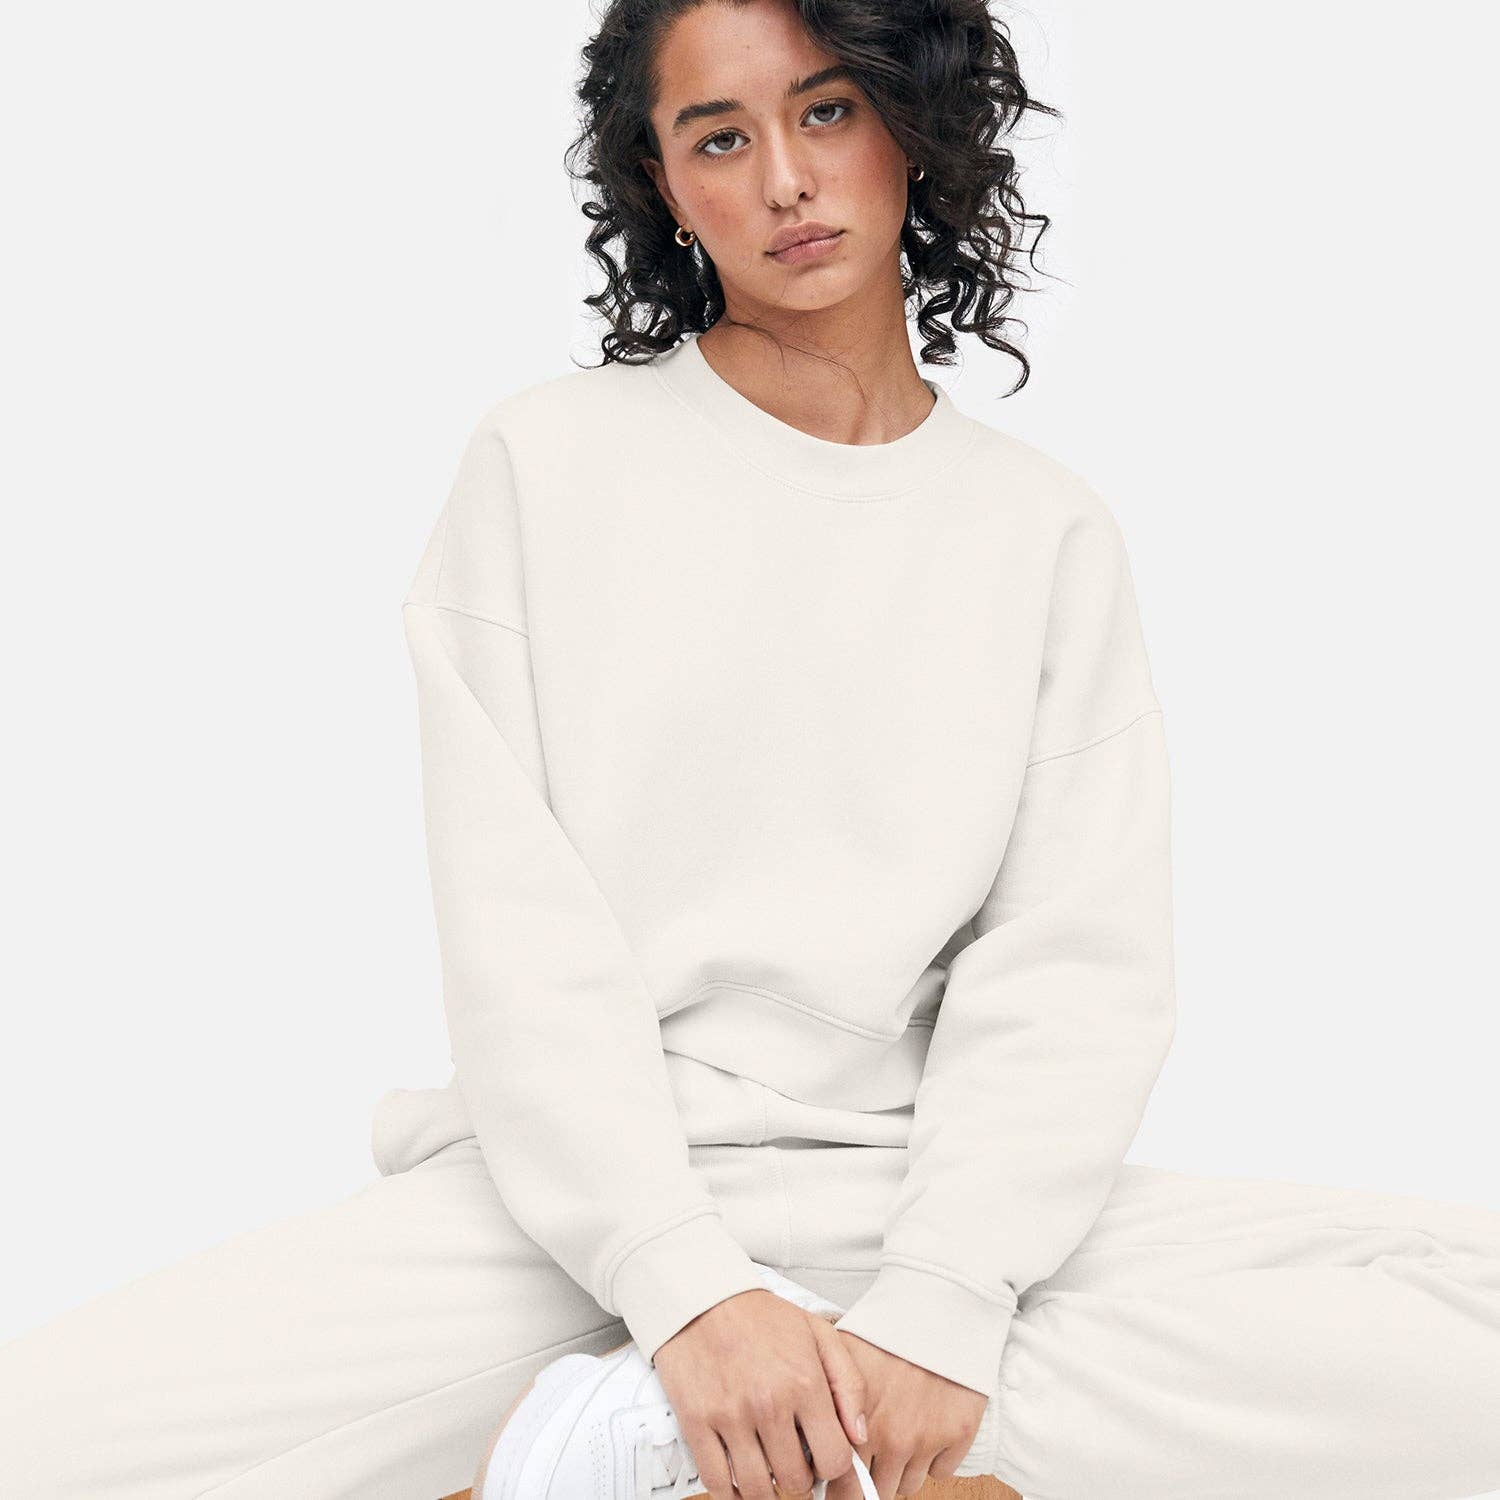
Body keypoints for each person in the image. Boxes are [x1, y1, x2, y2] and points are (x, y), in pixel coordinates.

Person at [4, 2, 1500, 1498]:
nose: (786, 179)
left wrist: (945, 1301)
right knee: (45, 1444)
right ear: (664, 185)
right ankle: (779, 1426)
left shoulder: (1041, 529)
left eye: (828, 111)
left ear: (912, 125)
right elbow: (521, 941)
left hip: (918, 1191)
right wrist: (686, 1290)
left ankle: (693, 1441)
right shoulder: (546, 463)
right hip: (575, 1204)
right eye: (719, 138)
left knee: (1469, 1331)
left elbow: (1073, 967)